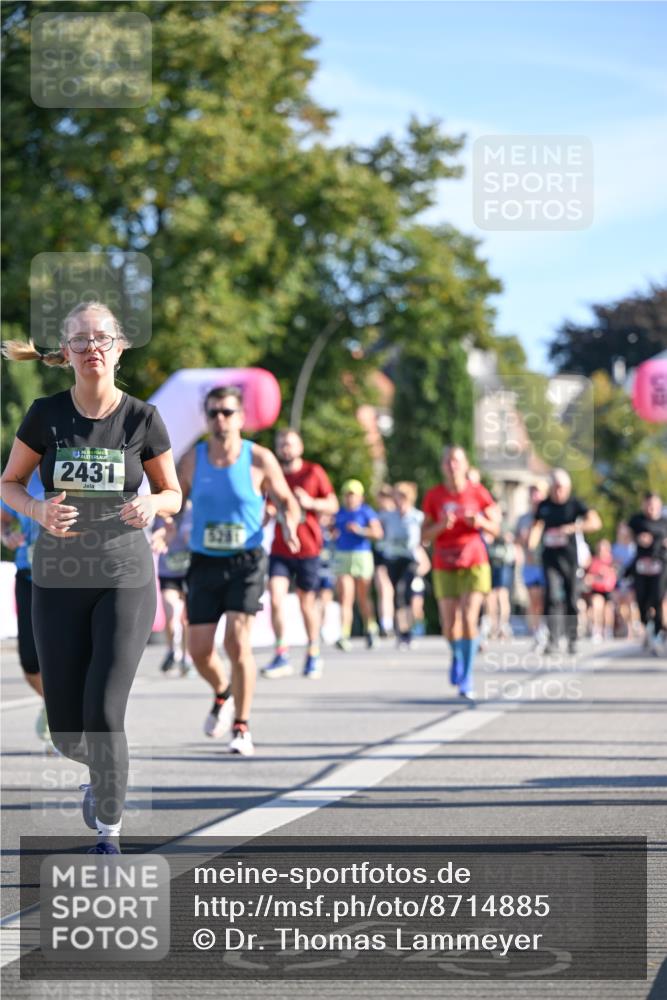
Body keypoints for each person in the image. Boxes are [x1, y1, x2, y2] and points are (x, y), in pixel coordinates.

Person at [1, 302, 181, 854]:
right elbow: (9, 483)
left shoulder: (142, 418)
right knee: (66, 731)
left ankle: (110, 831)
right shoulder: (45, 414)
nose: (92, 349)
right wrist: (37, 512)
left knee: (105, 712)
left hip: (124, 576)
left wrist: (153, 504)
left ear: (119, 347)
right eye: (81, 341)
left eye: (102, 339)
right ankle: (101, 771)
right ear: (68, 351)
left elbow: (173, 492)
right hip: (56, 580)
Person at [177, 387, 301, 755]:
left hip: (246, 560)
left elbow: (286, 501)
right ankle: (222, 693)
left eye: (227, 412)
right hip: (204, 561)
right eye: (214, 413)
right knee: (198, 650)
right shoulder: (192, 459)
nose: (220, 419)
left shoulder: (259, 459)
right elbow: (174, 499)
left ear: (241, 418)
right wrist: (166, 525)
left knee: (237, 641)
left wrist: (291, 524)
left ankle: (242, 726)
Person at [421, 446, 499, 700]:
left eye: (456, 461)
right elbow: (424, 535)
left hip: (474, 561)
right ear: (443, 466)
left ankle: (467, 676)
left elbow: (496, 528)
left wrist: (480, 522)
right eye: (447, 461)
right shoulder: (434, 496)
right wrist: (442, 525)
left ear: (465, 465)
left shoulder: (478, 493)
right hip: (445, 562)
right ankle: (457, 654)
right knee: (449, 625)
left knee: (468, 618)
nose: (452, 465)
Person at [262, 428, 338, 680]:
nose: (285, 448)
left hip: (308, 549)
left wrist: (311, 503)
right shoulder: (272, 476)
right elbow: (263, 509)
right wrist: (268, 514)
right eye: (281, 444)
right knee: (275, 596)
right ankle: (282, 652)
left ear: (300, 448)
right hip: (281, 548)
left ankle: (313, 652)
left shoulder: (313, 472)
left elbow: (333, 504)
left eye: (290, 444)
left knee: (307, 603)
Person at [0, 471, 54, 749]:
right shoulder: (19, 476)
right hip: (29, 577)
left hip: (70, 580)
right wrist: (7, 535)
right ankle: (54, 704)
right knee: (30, 662)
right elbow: (4, 520)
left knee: (65, 655)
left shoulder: (72, 467)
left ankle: (64, 718)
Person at [528, 469, 601, 654]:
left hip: (569, 558)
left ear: (567, 488)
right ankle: (552, 640)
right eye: (555, 487)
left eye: (561, 488)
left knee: (571, 597)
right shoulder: (544, 505)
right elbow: (536, 526)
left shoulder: (575, 504)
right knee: (551, 596)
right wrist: (531, 545)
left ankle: (571, 638)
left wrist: (574, 527)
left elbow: (595, 522)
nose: (558, 492)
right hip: (550, 558)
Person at [332, 479, 383, 651]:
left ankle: (370, 628)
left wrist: (360, 530)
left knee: (363, 597)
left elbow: (378, 533)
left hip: (362, 556)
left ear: (360, 497)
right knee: (345, 597)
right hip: (343, 556)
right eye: (347, 495)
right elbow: (333, 531)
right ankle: (344, 634)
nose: (349, 498)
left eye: (352, 495)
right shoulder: (339, 513)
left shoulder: (366, 512)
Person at [380, 482, 424, 649]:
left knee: (407, 592)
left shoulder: (417, 516)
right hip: (393, 558)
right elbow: (376, 527)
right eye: (397, 496)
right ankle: (402, 632)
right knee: (398, 595)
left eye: (403, 497)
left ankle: (410, 631)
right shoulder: (388, 516)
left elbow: (425, 535)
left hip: (410, 559)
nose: (400, 500)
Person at [152, 500, 193, 675]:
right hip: (168, 571)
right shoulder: (162, 512)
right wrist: (161, 536)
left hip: (189, 571)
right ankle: (172, 650)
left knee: (186, 620)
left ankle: (186, 656)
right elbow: (156, 535)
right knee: (171, 613)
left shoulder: (192, 510)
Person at [626, 492, 667, 653]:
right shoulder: (637, 520)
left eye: (654, 506)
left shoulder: (664, 522)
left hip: (660, 566)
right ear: (644, 505)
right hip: (641, 567)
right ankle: (648, 626)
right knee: (642, 601)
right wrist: (637, 539)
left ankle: (657, 634)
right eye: (648, 505)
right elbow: (625, 535)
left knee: (657, 599)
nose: (651, 509)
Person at [515, 483, 548, 647]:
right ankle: (536, 630)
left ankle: (543, 627)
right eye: (532, 493)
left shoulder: (548, 517)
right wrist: (522, 539)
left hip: (545, 564)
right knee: (533, 599)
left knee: (543, 598)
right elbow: (517, 542)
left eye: (538, 493)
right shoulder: (523, 519)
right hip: (529, 565)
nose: (535, 497)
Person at [373, 485, 397, 637]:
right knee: (383, 589)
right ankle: (385, 624)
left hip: (397, 555)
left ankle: (398, 625)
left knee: (395, 591)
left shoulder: (397, 515)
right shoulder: (376, 516)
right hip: (381, 554)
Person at [486, 521, 516, 640]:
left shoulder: (505, 525)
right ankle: (493, 626)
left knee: (502, 595)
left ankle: (503, 626)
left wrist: (498, 534)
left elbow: (509, 538)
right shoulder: (486, 522)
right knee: (490, 596)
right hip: (490, 562)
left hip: (504, 563)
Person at [583, 539, 617, 642]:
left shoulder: (612, 561)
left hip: (609, 589)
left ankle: (608, 630)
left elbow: (615, 574)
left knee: (608, 609)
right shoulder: (593, 561)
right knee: (597, 605)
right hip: (597, 589)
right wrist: (595, 577)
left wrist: (606, 572)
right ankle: (597, 629)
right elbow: (587, 578)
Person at [611, 521, 639, 638]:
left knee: (631, 603)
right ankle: (627, 626)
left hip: (632, 579)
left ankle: (634, 626)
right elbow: (612, 563)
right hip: (618, 579)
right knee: (619, 604)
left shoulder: (634, 547)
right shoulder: (615, 547)